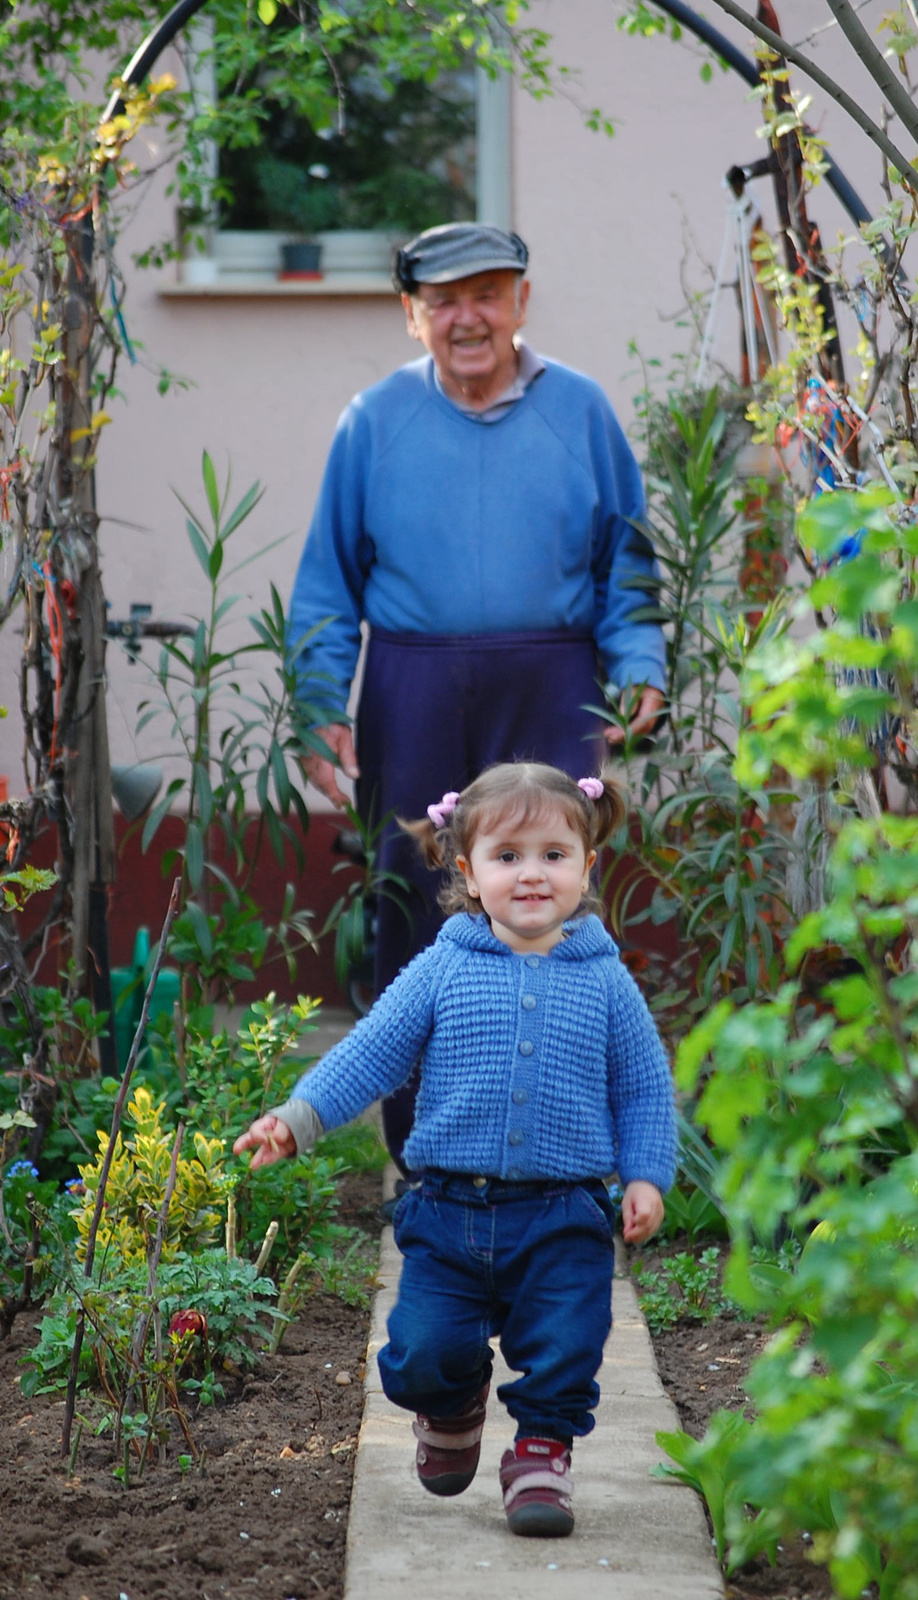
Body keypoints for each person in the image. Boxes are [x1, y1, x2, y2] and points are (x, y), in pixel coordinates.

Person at [287, 221, 667, 1169]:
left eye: (488, 294)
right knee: (416, 909)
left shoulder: (579, 412)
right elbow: (328, 585)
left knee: (552, 897)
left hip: (552, 683)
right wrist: (318, 710)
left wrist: (641, 666)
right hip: (412, 686)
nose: (469, 317)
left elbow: (628, 566)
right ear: (411, 315)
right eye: (445, 300)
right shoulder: (372, 421)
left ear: (521, 303)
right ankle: (424, 1161)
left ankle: (567, 1154)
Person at [235, 762, 675, 1538]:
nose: (532, 874)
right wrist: (296, 1118)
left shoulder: (606, 981)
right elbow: (371, 1052)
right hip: (448, 1210)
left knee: (569, 1341)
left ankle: (541, 1454)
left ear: (587, 865)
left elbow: (643, 1088)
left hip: (564, 1210)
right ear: (468, 872)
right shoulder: (444, 968)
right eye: (508, 857)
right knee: (422, 1350)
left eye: (552, 854)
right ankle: (451, 1397)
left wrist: (645, 1176)